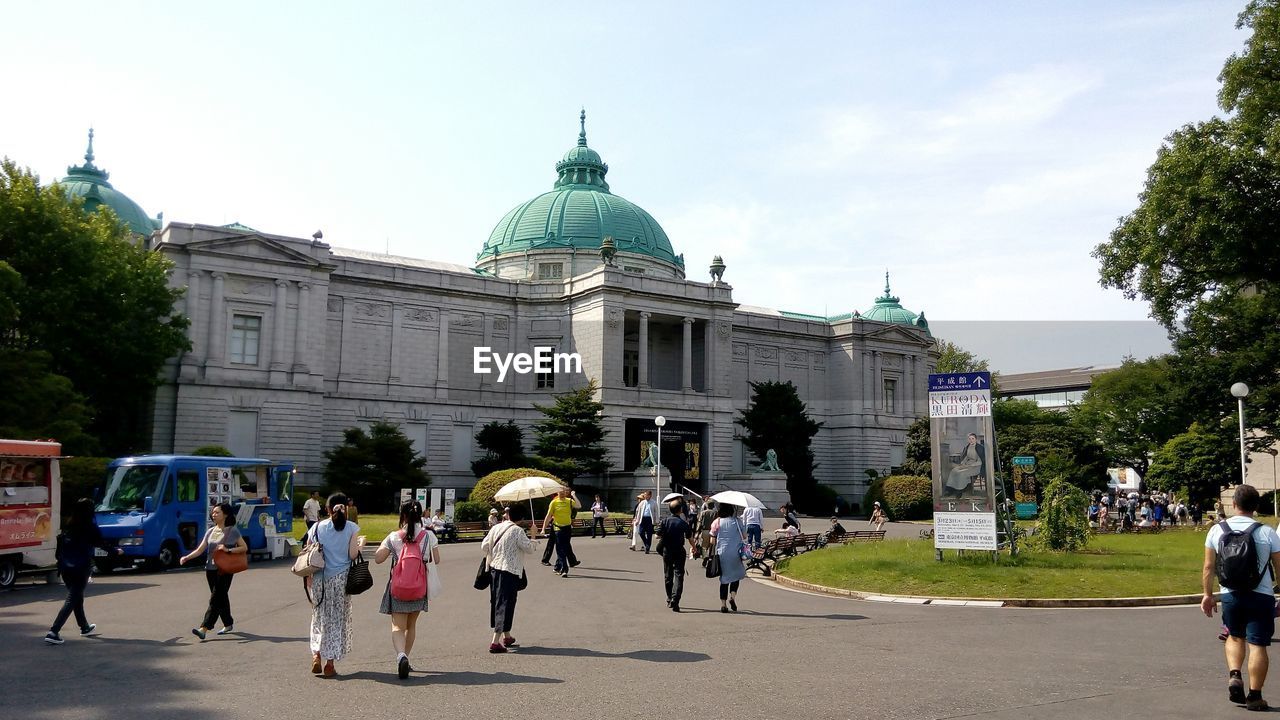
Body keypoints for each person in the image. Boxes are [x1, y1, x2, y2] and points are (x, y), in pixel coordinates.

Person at [1202, 484, 1280, 712]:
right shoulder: (1267, 532)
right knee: (1258, 644)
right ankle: (1255, 696)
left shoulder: (1217, 530)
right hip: (1261, 594)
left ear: (1233, 504)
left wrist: (1207, 595)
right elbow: (1278, 565)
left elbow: (1209, 567)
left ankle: (1235, 674)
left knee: (1235, 637)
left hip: (1230, 594)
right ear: (1256, 507)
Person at [374, 501, 439, 680]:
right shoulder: (428, 536)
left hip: (398, 587)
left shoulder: (394, 536)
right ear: (420, 515)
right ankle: (406, 658)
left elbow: (378, 558)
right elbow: (437, 559)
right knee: (411, 626)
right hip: (419, 586)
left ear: (402, 515)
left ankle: (400, 655)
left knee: (397, 626)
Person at [44, 498, 123, 644]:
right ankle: (53, 631)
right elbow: (100, 543)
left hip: (65, 566)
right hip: (81, 566)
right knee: (72, 598)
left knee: (76, 597)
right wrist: (115, 551)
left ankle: (84, 627)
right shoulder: (89, 526)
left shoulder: (69, 525)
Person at [306, 493, 364, 677]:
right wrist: (361, 544)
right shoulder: (352, 528)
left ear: (327, 509)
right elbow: (353, 555)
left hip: (319, 578)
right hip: (341, 579)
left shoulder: (316, 527)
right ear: (346, 508)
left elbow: (308, 551)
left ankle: (316, 654)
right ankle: (330, 663)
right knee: (337, 620)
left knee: (319, 617)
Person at [180, 502, 248, 641]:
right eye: (213, 512)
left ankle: (204, 628)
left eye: (217, 512)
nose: (214, 514)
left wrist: (228, 549)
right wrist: (187, 557)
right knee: (220, 597)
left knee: (215, 599)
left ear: (225, 514)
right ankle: (228, 623)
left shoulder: (232, 531)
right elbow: (200, 549)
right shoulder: (210, 531)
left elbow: (244, 547)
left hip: (225, 569)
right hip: (210, 569)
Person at [480, 509, 536, 653]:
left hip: (493, 569)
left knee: (497, 601)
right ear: (521, 518)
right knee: (506, 603)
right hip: (509, 571)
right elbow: (529, 549)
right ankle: (495, 641)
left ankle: (507, 635)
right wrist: (534, 535)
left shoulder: (496, 527)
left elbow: (484, 546)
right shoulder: (518, 531)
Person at [657, 498, 695, 611]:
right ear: (680, 510)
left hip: (667, 550)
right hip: (679, 550)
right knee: (679, 575)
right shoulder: (683, 523)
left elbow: (657, 535)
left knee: (668, 575)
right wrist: (693, 547)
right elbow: (690, 538)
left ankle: (669, 598)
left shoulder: (665, 521)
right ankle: (676, 599)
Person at [711, 503, 747, 613]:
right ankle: (733, 596)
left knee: (724, 578)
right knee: (735, 576)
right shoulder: (737, 521)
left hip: (722, 553)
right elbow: (744, 536)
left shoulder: (717, 521)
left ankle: (723, 604)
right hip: (735, 553)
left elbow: (712, 540)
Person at [542, 487, 582, 577]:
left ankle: (558, 567)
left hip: (567, 528)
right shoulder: (554, 502)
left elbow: (579, 506)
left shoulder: (569, 501)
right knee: (560, 549)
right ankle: (564, 569)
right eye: (561, 491)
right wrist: (543, 528)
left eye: (564, 491)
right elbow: (548, 516)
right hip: (557, 528)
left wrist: (574, 495)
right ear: (557, 492)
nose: (563, 493)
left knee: (566, 547)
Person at [944, 433, 985, 497]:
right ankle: (950, 490)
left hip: (976, 467)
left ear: (976, 439)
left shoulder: (980, 448)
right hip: (967, 465)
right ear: (968, 440)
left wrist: (970, 465)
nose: (971, 440)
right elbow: (967, 457)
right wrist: (963, 462)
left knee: (961, 473)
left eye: (972, 439)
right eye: (969, 439)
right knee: (954, 471)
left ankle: (959, 491)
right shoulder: (968, 447)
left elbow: (980, 462)